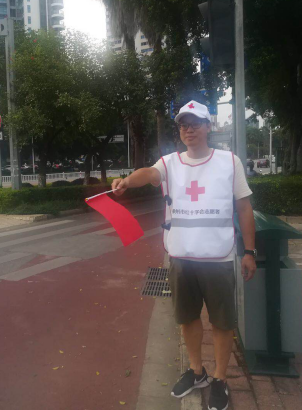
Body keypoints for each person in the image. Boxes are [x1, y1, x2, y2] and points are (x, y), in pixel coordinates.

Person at [112, 101, 256, 410]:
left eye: (195, 123)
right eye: (183, 125)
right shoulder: (170, 163)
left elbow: (245, 208)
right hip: (181, 258)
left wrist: (249, 252)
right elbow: (148, 173)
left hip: (218, 257)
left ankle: (219, 379)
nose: (188, 129)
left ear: (208, 127)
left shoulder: (229, 162)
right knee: (187, 318)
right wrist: (127, 182)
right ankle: (196, 371)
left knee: (222, 322)